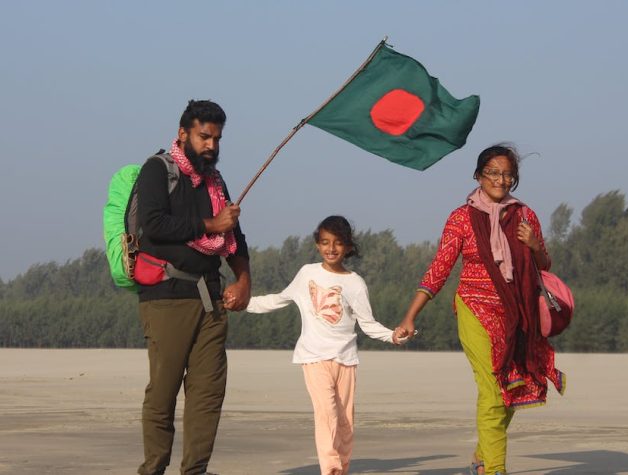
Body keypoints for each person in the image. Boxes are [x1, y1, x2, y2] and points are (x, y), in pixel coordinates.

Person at [397, 144, 565, 475]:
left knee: (512, 387)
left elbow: (544, 265)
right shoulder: (461, 218)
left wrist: (533, 245)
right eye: (493, 172)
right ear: (478, 175)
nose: (500, 180)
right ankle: (494, 470)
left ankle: (482, 454)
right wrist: (410, 315)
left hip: (517, 313)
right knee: (491, 388)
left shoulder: (525, 215)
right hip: (474, 308)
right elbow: (439, 269)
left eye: (507, 174)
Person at [135, 99, 251, 475]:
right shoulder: (157, 170)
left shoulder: (215, 182)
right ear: (183, 133)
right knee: (163, 393)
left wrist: (244, 279)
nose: (211, 146)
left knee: (207, 395)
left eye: (217, 139)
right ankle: (153, 468)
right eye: (204, 137)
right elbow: (153, 224)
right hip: (166, 297)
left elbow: (234, 235)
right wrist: (208, 226)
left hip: (211, 300)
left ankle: (195, 471)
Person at [245, 215, 406, 475]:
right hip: (314, 357)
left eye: (338, 243)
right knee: (327, 413)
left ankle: (341, 467)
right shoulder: (307, 273)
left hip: (346, 360)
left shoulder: (355, 283)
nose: (331, 248)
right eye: (325, 242)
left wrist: (393, 336)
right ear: (317, 245)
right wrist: (244, 303)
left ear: (348, 247)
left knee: (345, 422)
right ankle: (330, 468)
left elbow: (367, 323)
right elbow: (279, 299)